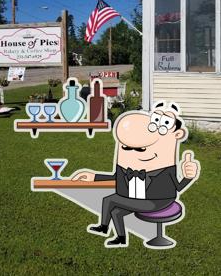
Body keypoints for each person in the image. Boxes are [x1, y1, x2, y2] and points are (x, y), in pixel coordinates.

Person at [70, 102, 200, 248]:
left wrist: (189, 176)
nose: (133, 152)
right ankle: (120, 237)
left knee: (111, 200)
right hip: (137, 198)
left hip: (158, 201)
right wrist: (93, 177)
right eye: (126, 147)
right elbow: (115, 178)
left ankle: (104, 227)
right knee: (117, 211)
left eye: (141, 149)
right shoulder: (126, 168)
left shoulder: (166, 170)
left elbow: (177, 188)